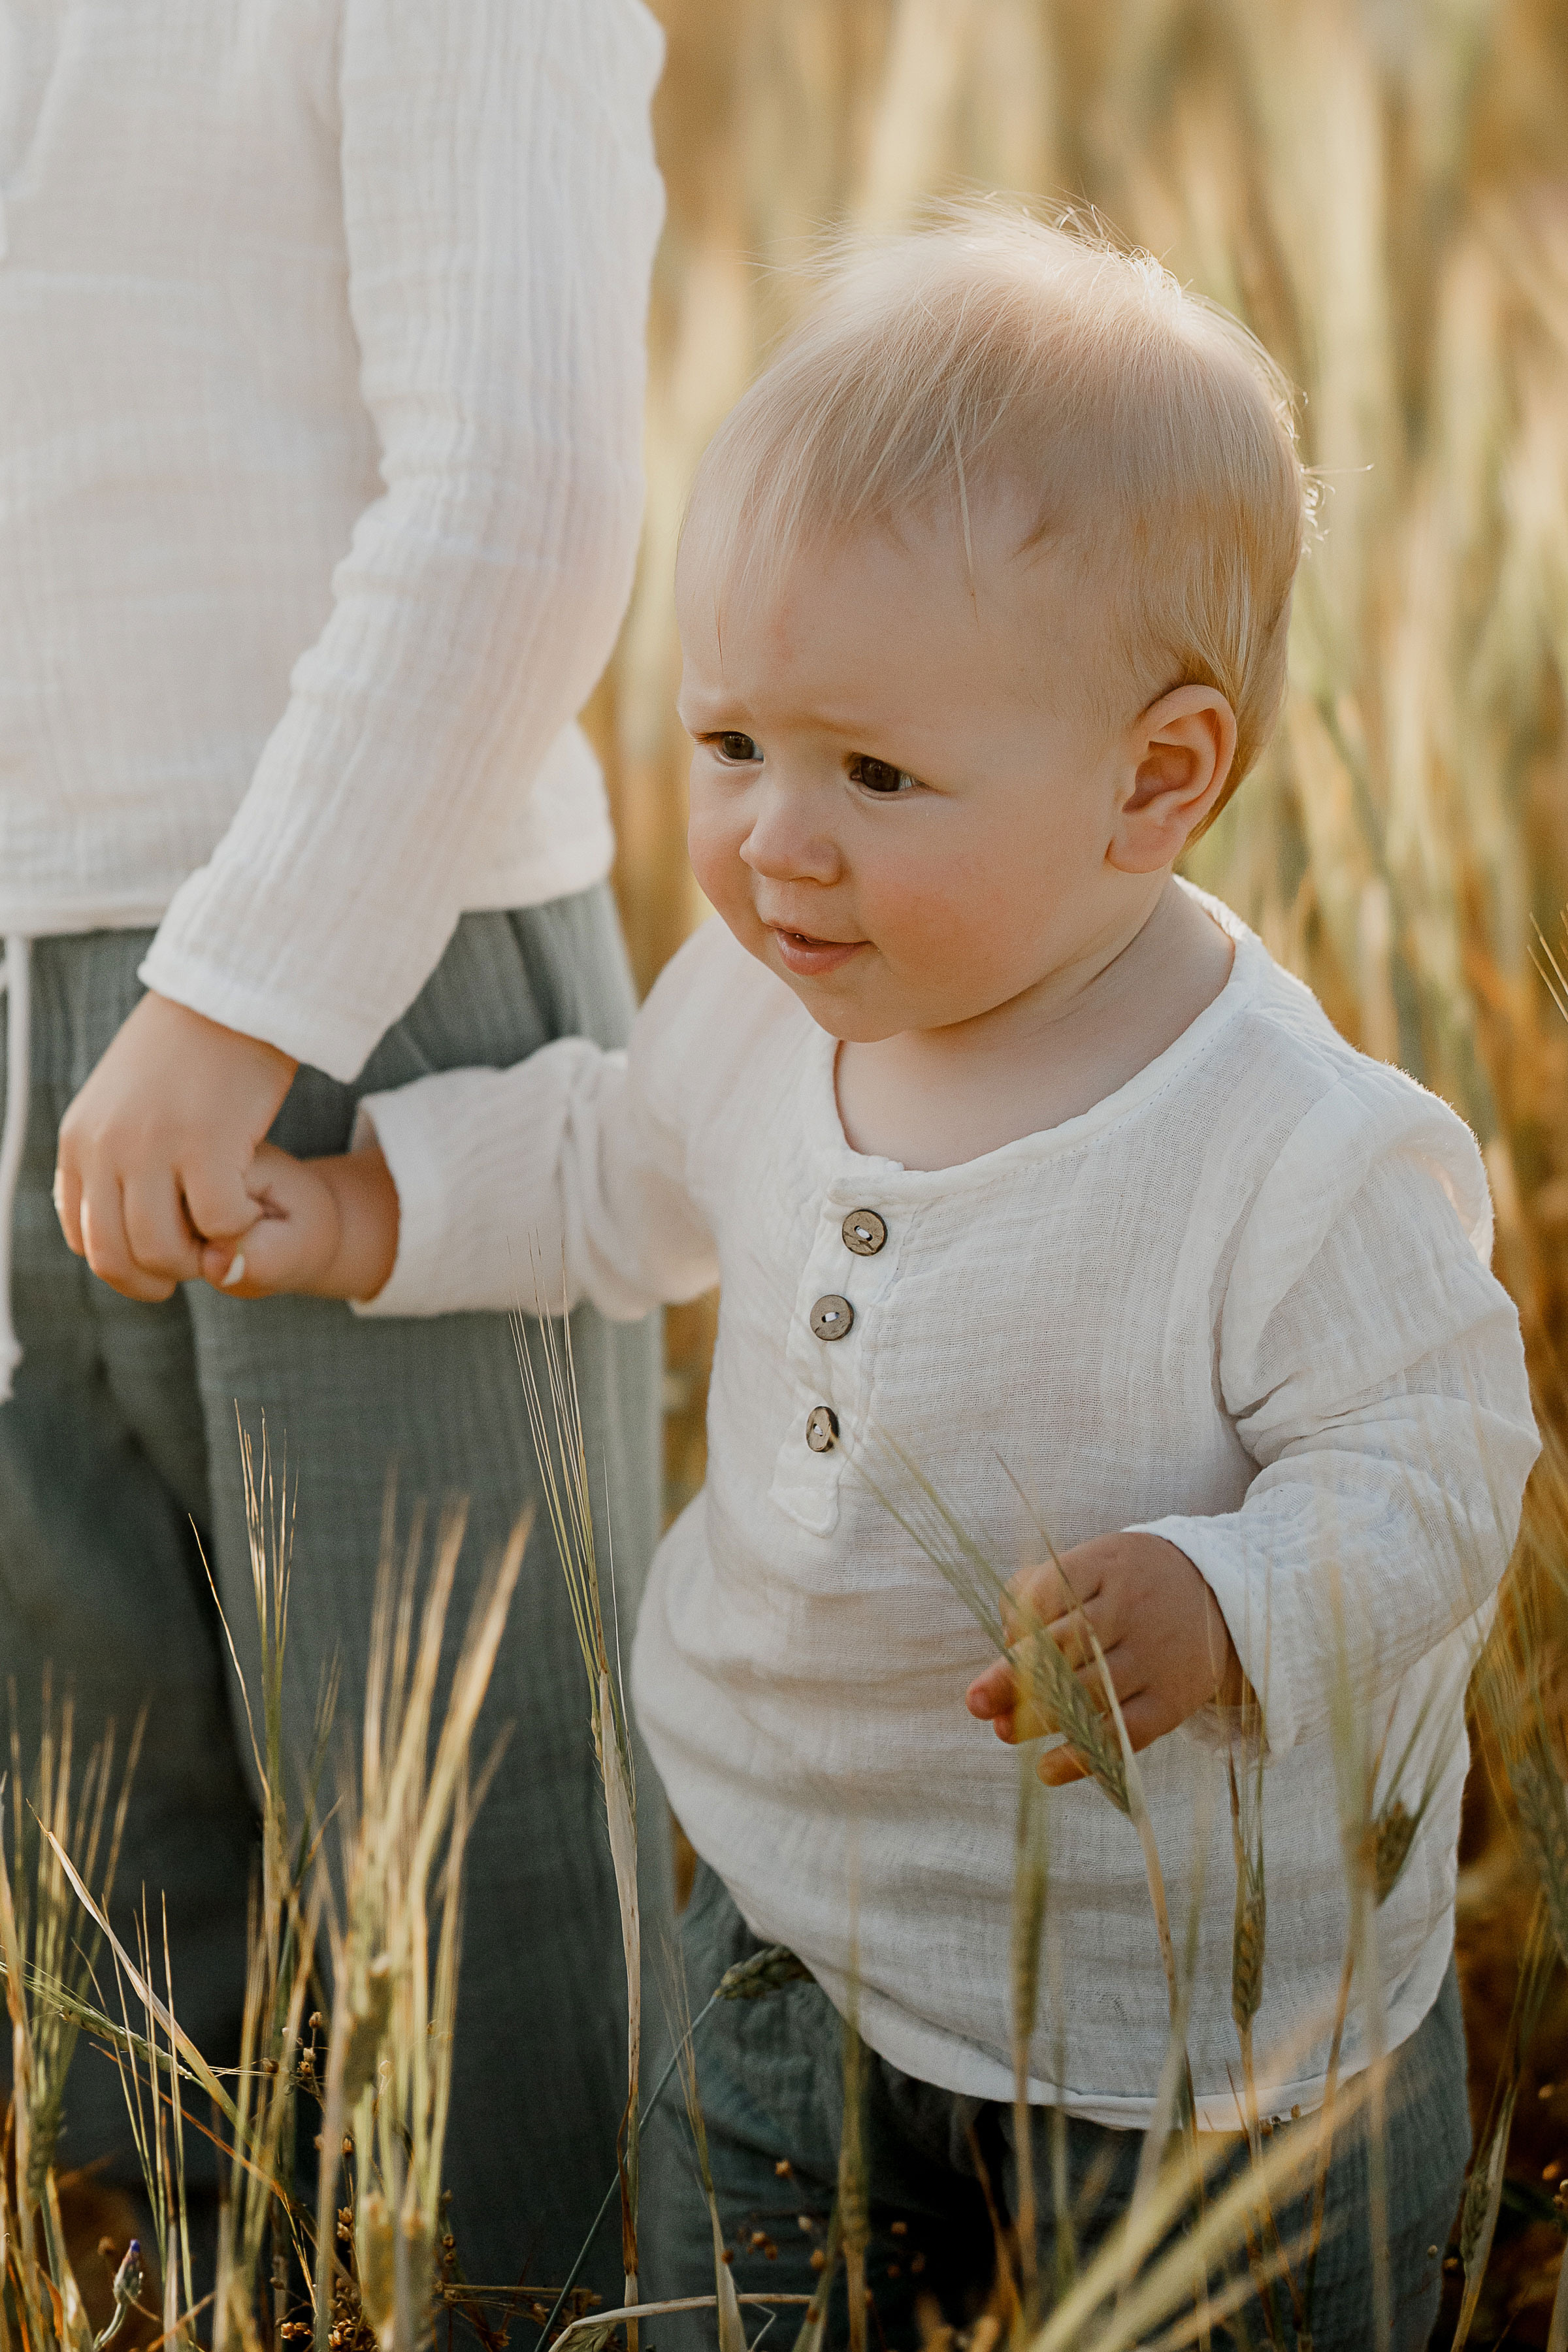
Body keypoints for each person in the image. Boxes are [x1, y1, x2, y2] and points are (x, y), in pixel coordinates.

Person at [190, 212, 1539, 2346]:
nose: (772, 847)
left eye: (877, 774)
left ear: (1158, 778)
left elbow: (1437, 1467)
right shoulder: (768, 1000)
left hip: (1186, 2043)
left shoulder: (1295, 1144)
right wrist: (369, 1210)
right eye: (732, 744)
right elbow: (611, 1165)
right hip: (786, 1919)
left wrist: (1225, 1600)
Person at [0, 0, 669, 2296]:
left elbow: (523, 482)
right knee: (114, 1935)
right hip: (21, 986)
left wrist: (240, 994)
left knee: (495, 1930)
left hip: (366, 990)